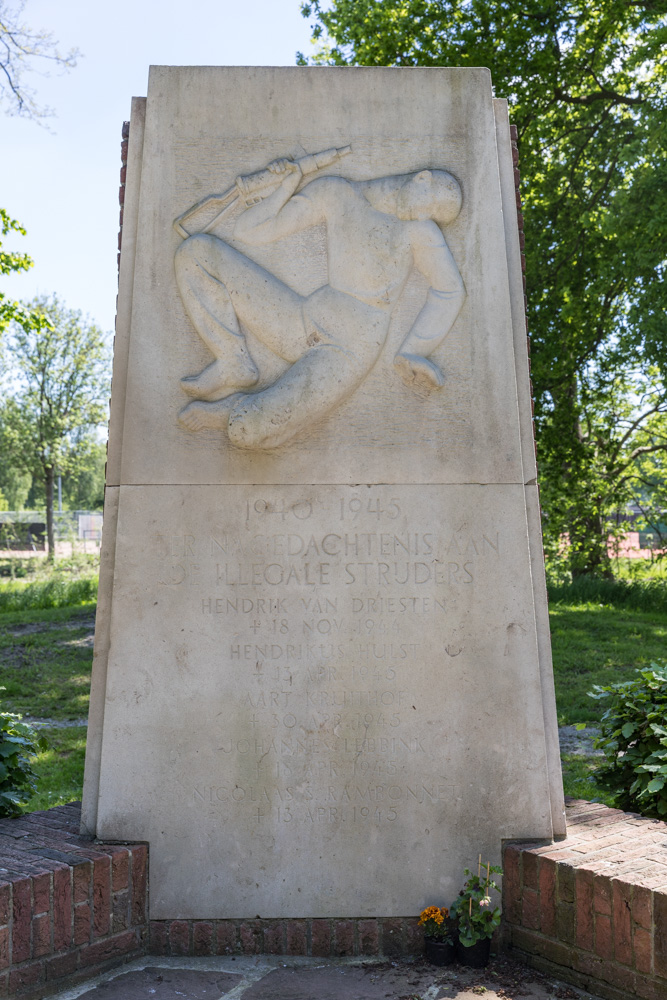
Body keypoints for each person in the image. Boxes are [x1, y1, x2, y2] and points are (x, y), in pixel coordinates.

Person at [175, 158, 466, 450]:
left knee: (247, 429)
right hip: (302, 318)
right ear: (422, 179)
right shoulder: (335, 191)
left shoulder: (420, 231)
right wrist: (285, 187)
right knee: (196, 251)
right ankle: (232, 360)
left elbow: (450, 290)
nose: (424, 215)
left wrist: (414, 351)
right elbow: (250, 232)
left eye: (433, 215)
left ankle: (230, 410)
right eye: (430, 204)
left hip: (347, 349)